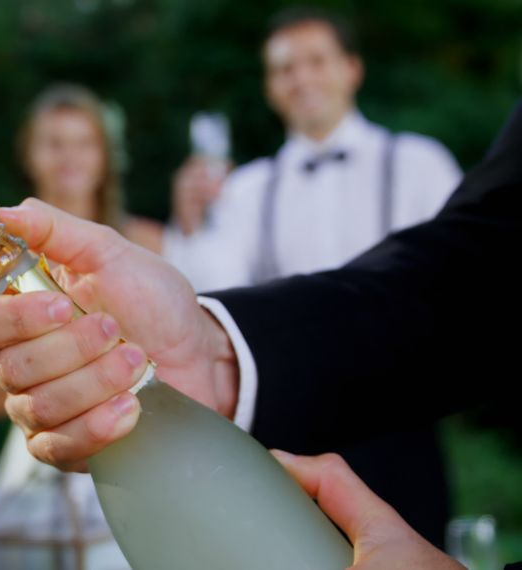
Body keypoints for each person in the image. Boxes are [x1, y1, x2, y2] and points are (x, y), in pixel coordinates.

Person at [0, 100, 522, 567]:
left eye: (82, 142)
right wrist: (210, 352)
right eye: (54, 143)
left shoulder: (147, 234)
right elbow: (484, 263)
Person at [160, 8, 462, 544]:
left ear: (351, 68)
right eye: (285, 68)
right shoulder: (247, 189)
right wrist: (189, 225)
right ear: (271, 88)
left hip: (405, 424)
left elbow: (460, 283)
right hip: (296, 431)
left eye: (316, 61)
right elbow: (213, 299)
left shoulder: (420, 163)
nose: (302, 79)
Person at [0, 83, 165, 423]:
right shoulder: (2, 262)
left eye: (84, 143)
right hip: (53, 430)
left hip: (146, 417)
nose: (69, 157)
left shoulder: (147, 242)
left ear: (105, 155)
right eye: (54, 144)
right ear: (29, 155)